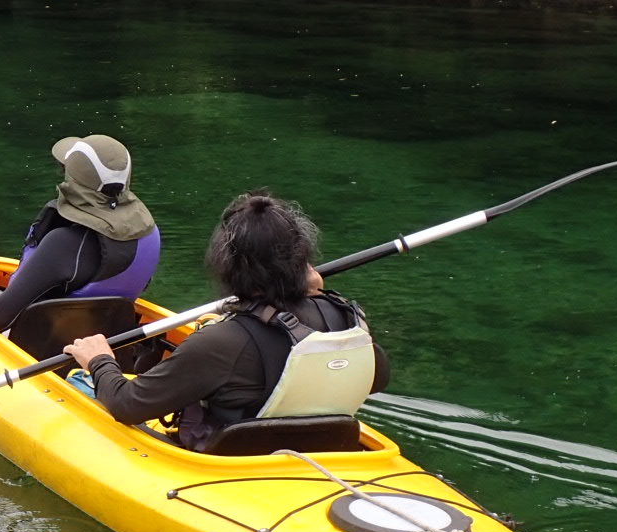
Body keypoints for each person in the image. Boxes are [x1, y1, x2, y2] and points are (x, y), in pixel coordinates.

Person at [61, 190, 389, 451]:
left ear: (229, 267)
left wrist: (100, 360)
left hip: (232, 468)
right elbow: (376, 379)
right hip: (326, 455)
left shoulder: (218, 344)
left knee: (80, 385)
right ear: (303, 260)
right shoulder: (347, 316)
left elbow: (126, 405)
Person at [0, 134, 160, 332]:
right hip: (106, 342)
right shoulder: (149, 233)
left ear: (72, 179)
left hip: (45, 349)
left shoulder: (64, 243)